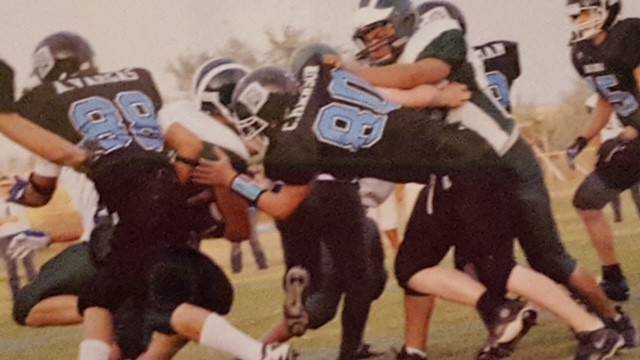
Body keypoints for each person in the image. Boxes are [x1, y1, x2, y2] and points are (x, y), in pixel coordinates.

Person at [349, 0, 636, 356]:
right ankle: (497, 327)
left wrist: (352, 75)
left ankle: (609, 320)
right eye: (367, 34)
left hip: (502, 160)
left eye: (381, 29)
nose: (375, 40)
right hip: (462, 166)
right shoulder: (398, 61)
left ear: (408, 21)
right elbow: (409, 94)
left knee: (545, 259)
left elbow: (417, 78)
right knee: (464, 263)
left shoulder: (439, 35)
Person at [9, 33, 294, 360]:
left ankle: (255, 353)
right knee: (137, 310)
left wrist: (18, 190)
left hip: (119, 239)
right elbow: (234, 225)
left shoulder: (72, 121)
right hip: (144, 238)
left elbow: (40, 192)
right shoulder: (165, 121)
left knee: (134, 310)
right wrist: (220, 177)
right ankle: (254, 352)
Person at [0, 178, 44, 300]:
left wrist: (16, 179)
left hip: (23, 234)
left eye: (8, 185)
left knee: (30, 266)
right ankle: (17, 297)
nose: (6, 188)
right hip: (4, 238)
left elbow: (33, 187)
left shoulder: (21, 198)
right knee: (11, 269)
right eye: (2, 186)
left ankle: (36, 295)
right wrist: (7, 220)